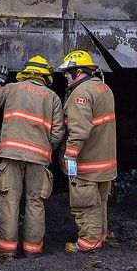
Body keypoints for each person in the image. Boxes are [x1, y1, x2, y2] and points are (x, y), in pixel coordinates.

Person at [0, 56, 63, 257]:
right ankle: (32, 251)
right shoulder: (53, 98)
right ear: (45, 77)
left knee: (9, 201)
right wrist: (44, 148)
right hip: (39, 158)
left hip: (11, 155)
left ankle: (7, 251)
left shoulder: (12, 89)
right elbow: (58, 133)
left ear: (25, 74)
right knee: (35, 201)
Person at [57, 49, 117, 252]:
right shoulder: (103, 88)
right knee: (100, 201)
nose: (65, 76)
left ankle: (88, 242)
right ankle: (99, 236)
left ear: (79, 72)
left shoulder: (80, 94)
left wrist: (69, 155)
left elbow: (79, 130)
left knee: (85, 203)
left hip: (87, 164)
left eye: (68, 72)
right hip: (105, 163)